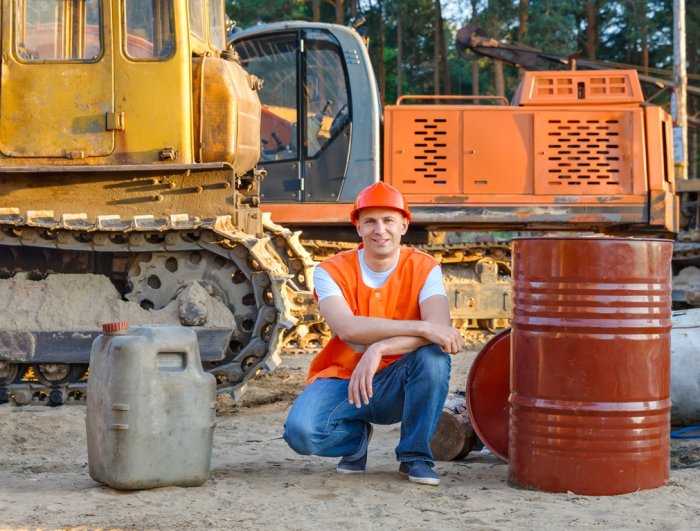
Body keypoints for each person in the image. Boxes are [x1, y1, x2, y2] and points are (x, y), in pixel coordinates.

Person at [283, 182, 464, 486]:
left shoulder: (425, 267)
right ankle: (355, 441)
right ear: (358, 227)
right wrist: (420, 327)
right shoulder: (330, 270)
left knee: (434, 358)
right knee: (302, 432)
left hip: (400, 384)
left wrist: (378, 348)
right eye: (370, 221)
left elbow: (441, 333)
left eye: (388, 220)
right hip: (344, 379)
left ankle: (415, 457)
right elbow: (349, 329)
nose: (380, 229)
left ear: (404, 225)